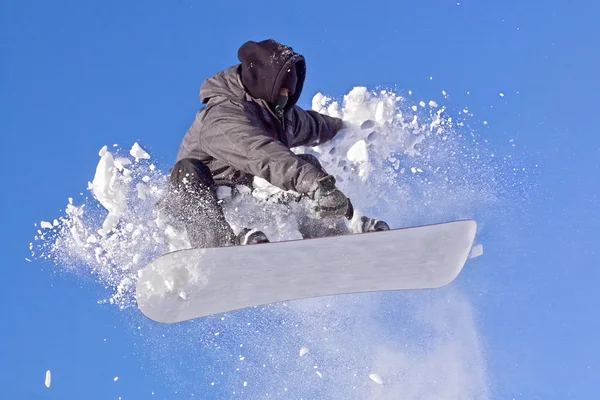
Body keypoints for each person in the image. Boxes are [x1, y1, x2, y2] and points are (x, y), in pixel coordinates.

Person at [164, 39, 389, 248]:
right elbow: (263, 154)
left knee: (306, 163)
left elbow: (315, 125)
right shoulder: (223, 117)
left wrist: (355, 128)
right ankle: (219, 251)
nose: (286, 93)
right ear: (263, 81)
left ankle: (332, 237)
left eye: (290, 87)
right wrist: (316, 185)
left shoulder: (279, 115)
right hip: (197, 209)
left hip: (244, 199)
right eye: (282, 86)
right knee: (188, 172)